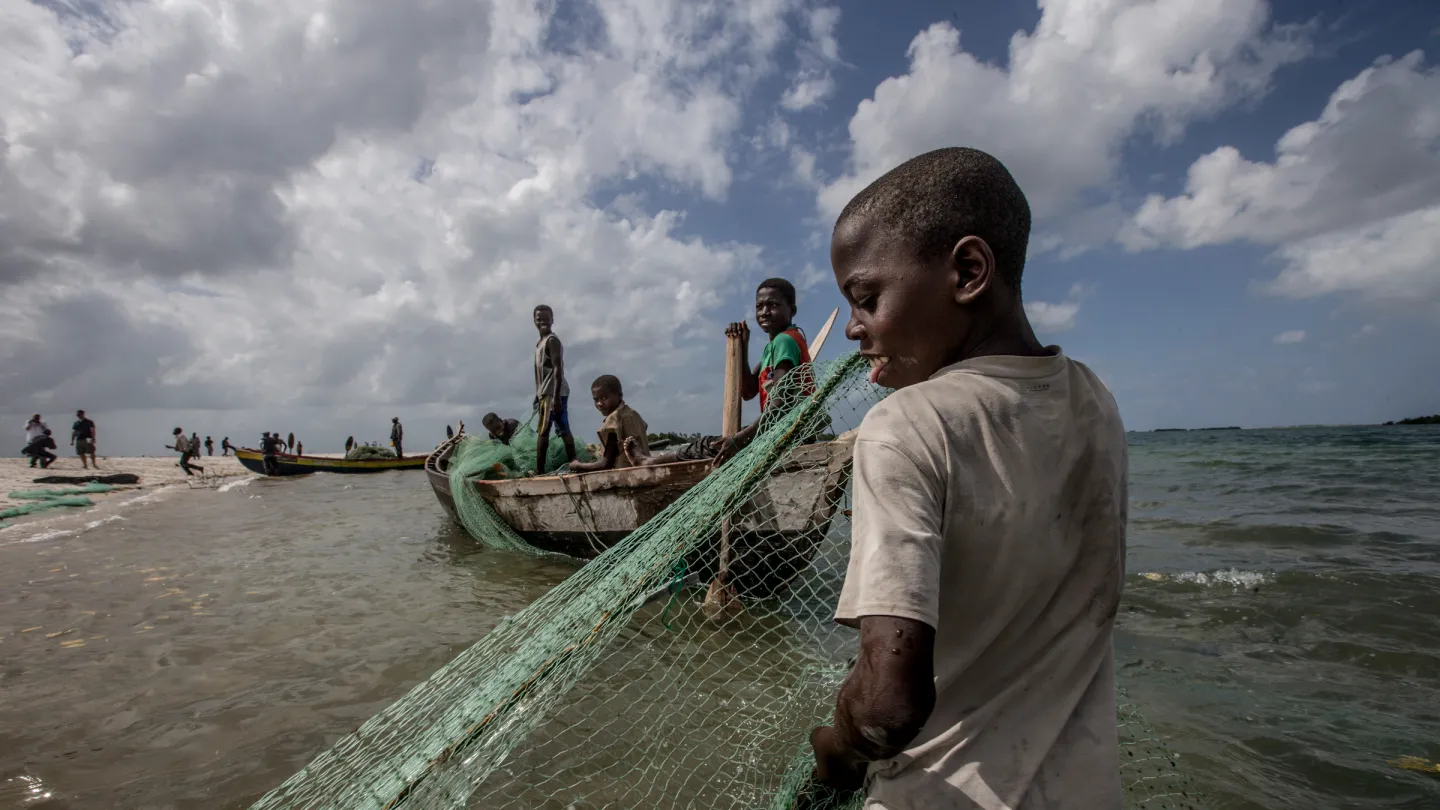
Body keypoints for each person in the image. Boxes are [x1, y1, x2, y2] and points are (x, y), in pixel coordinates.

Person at [795, 147, 1128, 810]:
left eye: (867, 298)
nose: (855, 328)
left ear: (969, 272)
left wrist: (835, 746)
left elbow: (889, 705)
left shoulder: (905, 427)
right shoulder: (1095, 399)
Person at [569, 376, 648, 473]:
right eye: (596, 399)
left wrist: (577, 465)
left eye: (604, 398)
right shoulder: (633, 414)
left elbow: (605, 464)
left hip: (629, 476)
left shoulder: (614, 419)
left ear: (619, 395)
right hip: (646, 470)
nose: (599, 403)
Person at [532, 304, 578, 474]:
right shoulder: (539, 343)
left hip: (554, 392)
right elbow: (542, 373)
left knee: (543, 432)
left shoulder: (552, 340)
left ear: (552, 320)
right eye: (539, 319)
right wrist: (538, 395)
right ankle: (575, 464)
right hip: (546, 392)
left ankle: (539, 472)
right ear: (534, 321)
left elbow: (558, 369)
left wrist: (556, 396)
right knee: (563, 428)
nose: (543, 321)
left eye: (546, 318)